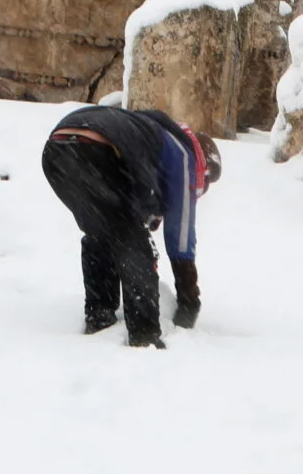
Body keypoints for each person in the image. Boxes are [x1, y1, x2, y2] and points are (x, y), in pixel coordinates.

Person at [40, 102, 220, 348]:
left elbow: (136, 181)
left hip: (56, 153)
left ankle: (99, 317)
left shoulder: (147, 132)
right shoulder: (184, 153)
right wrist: (188, 291)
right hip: (96, 150)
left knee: (101, 233)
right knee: (134, 243)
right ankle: (144, 335)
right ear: (203, 168)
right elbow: (180, 229)